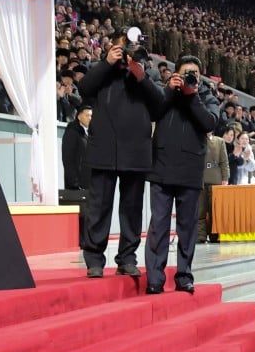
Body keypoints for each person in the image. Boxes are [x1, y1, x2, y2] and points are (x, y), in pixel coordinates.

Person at [77, 32, 163, 278]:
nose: (127, 52)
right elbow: (84, 88)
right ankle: (94, 259)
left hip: (136, 151)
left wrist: (141, 76)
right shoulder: (102, 71)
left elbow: (159, 105)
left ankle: (127, 258)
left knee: (132, 209)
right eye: (122, 47)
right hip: (104, 148)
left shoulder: (145, 72)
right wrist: (107, 63)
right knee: (98, 207)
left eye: (131, 47)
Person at [143, 56, 220, 294]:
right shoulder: (164, 92)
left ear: (200, 77)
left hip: (190, 170)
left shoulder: (207, 97)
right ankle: (155, 278)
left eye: (194, 73)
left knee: (187, 227)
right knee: (158, 225)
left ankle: (184, 276)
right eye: (186, 72)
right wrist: (169, 91)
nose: (190, 77)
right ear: (175, 73)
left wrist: (192, 95)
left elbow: (209, 123)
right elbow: (152, 112)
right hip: (162, 168)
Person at [197, 130, 230, 243]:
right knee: (200, 209)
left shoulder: (219, 141)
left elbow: (224, 161)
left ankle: (214, 235)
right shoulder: (197, 138)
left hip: (216, 179)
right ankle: (200, 236)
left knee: (214, 210)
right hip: (200, 178)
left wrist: (225, 178)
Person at [61, 104, 92, 190]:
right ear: (79, 116)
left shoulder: (89, 132)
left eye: (90, 116)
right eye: (87, 115)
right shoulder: (72, 132)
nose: (89, 118)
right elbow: (68, 158)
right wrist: (74, 182)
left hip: (88, 183)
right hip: (76, 185)